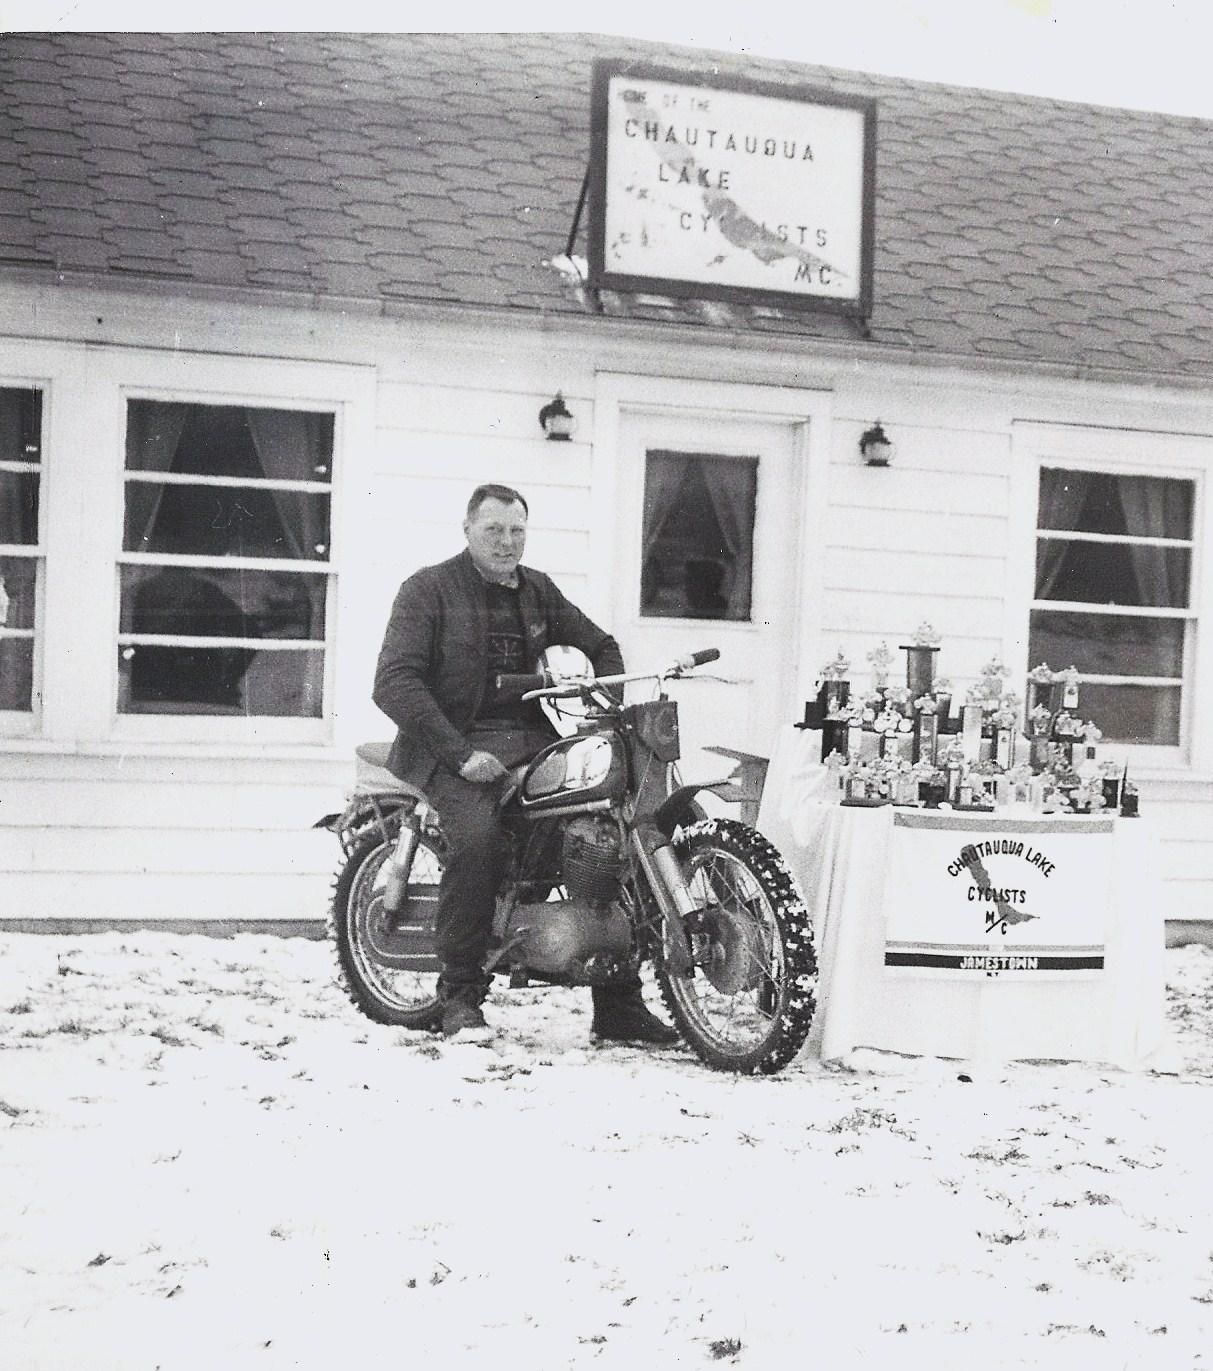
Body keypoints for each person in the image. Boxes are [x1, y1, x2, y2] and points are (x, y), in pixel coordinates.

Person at [373, 483, 679, 1046]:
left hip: (528, 739)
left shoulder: (537, 589)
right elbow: (394, 683)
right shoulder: (427, 590)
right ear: (467, 530)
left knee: (604, 829)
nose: (506, 542)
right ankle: (460, 994)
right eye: (493, 530)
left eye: (517, 531)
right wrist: (461, 755)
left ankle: (618, 1001)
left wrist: (603, 703)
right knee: (479, 839)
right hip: (447, 744)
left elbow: (601, 645)